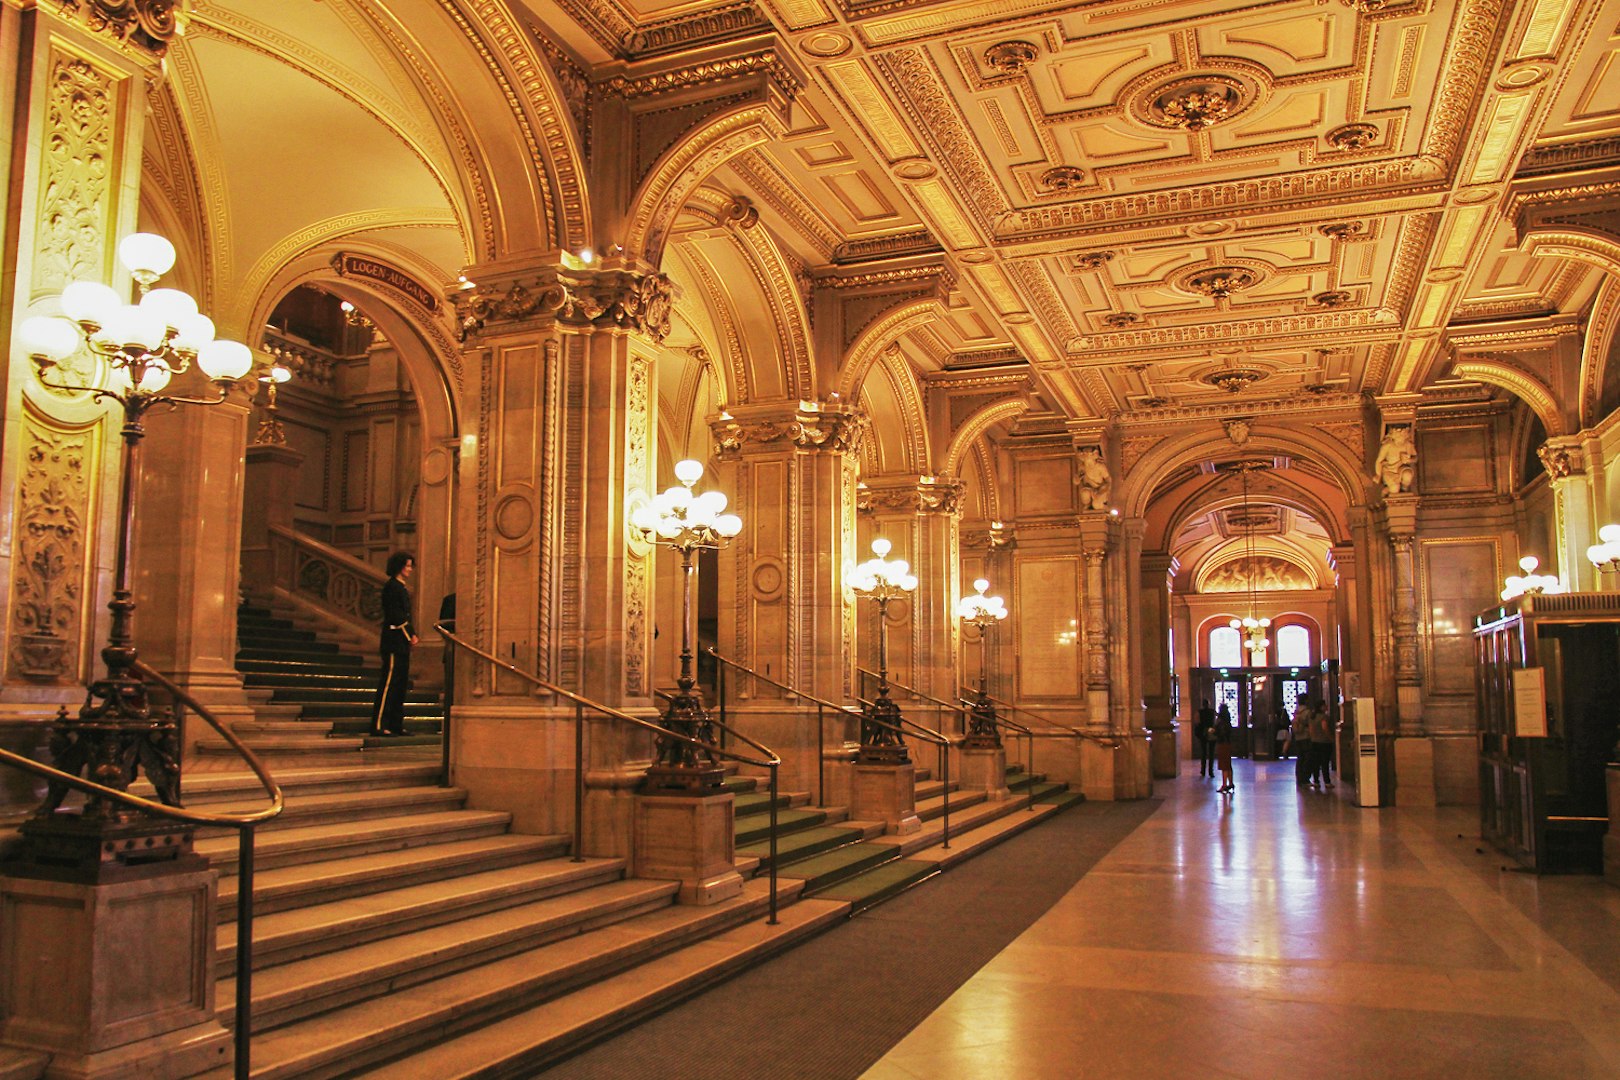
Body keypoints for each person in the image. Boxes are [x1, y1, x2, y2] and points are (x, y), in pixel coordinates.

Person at [370, 551, 418, 737]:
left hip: (401, 642)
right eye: (406, 566)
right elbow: (396, 615)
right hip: (393, 641)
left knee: (400, 684)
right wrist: (410, 635)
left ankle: (396, 724)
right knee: (389, 683)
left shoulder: (401, 588)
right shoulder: (392, 587)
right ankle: (380, 724)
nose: (409, 569)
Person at [1310, 700, 1335, 788]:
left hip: (1314, 742)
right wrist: (1331, 737)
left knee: (1315, 762)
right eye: (1325, 705)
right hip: (1324, 742)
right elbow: (1324, 728)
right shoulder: (1324, 717)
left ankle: (1316, 781)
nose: (1326, 707)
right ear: (1321, 707)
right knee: (1325, 763)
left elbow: (1311, 729)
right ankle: (1327, 782)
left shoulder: (1312, 717)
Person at [1214, 702, 1235, 795]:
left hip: (1222, 744)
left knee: (1224, 765)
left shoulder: (1220, 722)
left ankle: (1224, 785)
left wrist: (1214, 731)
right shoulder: (1228, 722)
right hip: (1228, 743)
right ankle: (1230, 783)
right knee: (1228, 764)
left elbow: (1219, 733)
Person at [1196, 698, 1217, 778]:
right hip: (1211, 733)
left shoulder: (1199, 712)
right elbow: (1215, 722)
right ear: (1209, 704)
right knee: (1211, 753)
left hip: (1203, 733)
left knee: (1203, 753)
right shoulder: (1212, 712)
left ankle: (1203, 770)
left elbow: (1197, 723)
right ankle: (1211, 771)